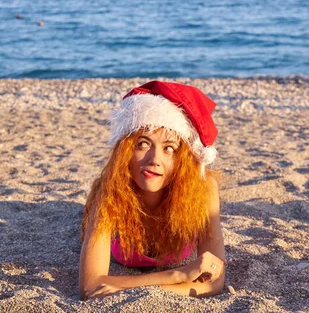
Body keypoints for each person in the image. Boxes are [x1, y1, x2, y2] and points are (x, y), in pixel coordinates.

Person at [79, 81, 226, 300]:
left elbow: (214, 282)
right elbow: (90, 285)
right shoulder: (110, 190)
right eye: (143, 144)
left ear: (184, 159)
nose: (155, 160)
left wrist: (125, 287)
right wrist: (178, 274)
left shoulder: (202, 189)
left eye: (169, 149)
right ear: (126, 151)